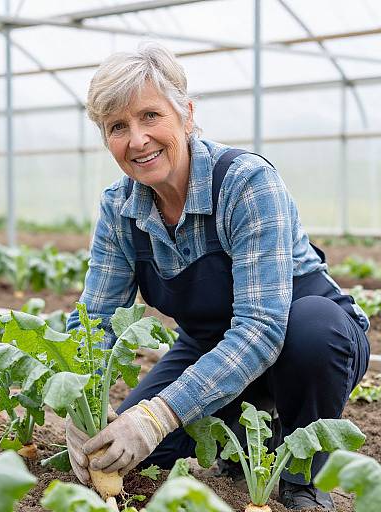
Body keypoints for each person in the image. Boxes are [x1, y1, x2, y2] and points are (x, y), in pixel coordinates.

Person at [65, 42, 370, 511]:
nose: (137, 140)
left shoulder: (246, 184)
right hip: (211, 345)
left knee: (312, 329)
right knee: (140, 453)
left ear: (185, 115)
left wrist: (160, 414)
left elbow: (262, 329)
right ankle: (242, 442)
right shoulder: (119, 207)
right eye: (118, 127)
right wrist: (78, 402)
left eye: (150, 116)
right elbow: (96, 319)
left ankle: (302, 476)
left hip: (296, 338)